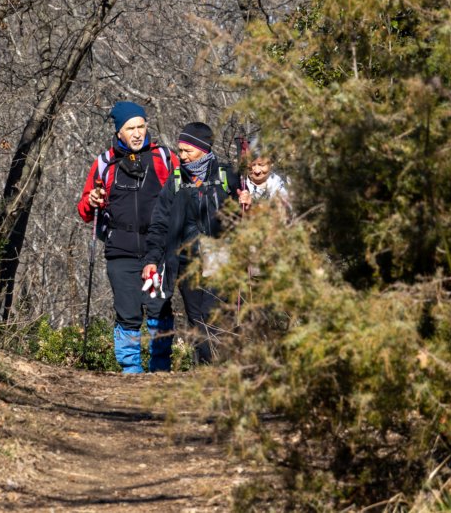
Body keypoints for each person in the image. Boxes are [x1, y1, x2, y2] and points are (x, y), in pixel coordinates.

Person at [77, 101, 178, 374]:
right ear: (118, 131)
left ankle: (160, 370)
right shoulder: (104, 163)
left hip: (157, 251)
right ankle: (130, 371)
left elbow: (183, 195)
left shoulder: (164, 158)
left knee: (158, 309)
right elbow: (85, 211)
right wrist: (93, 201)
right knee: (128, 313)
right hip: (120, 250)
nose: (137, 133)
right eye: (130, 128)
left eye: (141, 126)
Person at [142, 122, 251, 365]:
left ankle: (220, 369)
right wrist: (152, 259)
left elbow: (245, 218)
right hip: (184, 259)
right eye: (180, 150)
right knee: (196, 318)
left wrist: (247, 202)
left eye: (187, 151)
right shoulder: (176, 180)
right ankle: (206, 370)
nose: (182, 156)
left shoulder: (227, 176)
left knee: (213, 314)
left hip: (219, 254)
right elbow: (159, 224)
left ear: (203, 149)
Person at [244, 143, 291, 211]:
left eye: (261, 165)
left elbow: (285, 210)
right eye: (253, 165)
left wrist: (255, 204)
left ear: (271, 164)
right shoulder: (240, 182)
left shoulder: (278, 185)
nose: (257, 171)